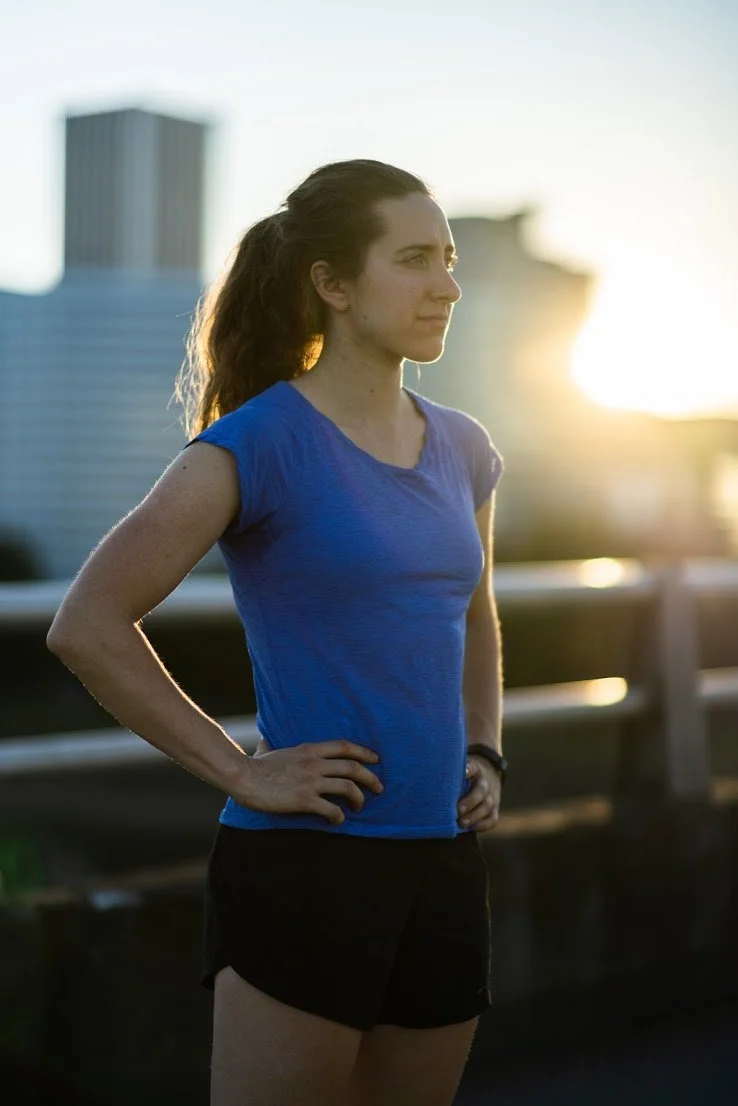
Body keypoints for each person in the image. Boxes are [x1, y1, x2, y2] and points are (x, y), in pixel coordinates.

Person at [46, 158, 506, 1106]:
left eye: (449, 259)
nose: (446, 284)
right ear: (333, 285)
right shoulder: (256, 444)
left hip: (443, 860)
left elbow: (473, 607)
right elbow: (88, 624)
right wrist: (239, 769)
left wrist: (489, 750)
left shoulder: (464, 445)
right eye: (414, 259)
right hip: (309, 865)